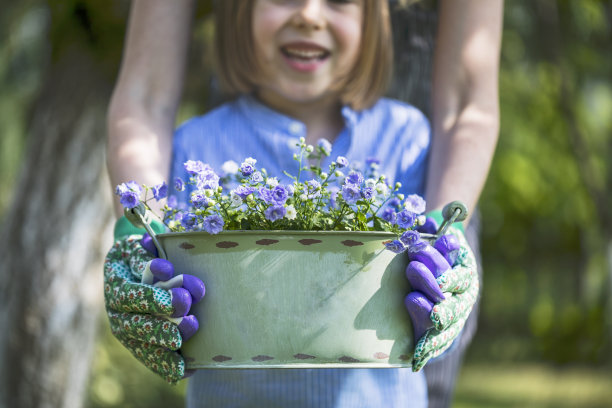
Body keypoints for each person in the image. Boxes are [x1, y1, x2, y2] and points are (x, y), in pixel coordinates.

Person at [105, 0, 502, 406]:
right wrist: (139, 233)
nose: (309, 15)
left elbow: (469, 102)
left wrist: (445, 239)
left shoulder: (408, 140)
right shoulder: (199, 144)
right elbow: (145, 99)